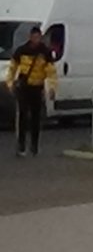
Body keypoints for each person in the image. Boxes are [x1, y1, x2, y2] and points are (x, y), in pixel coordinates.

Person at [8, 25, 57, 157]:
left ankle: (34, 145)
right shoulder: (21, 50)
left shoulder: (45, 52)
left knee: (36, 118)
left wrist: (52, 87)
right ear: (30, 37)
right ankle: (21, 145)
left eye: (38, 37)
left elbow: (51, 72)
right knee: (23, 116)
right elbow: (13, 67)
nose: (36, 39)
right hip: (24, 87)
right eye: (34, 37)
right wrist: (10, 82)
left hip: (37, 87)